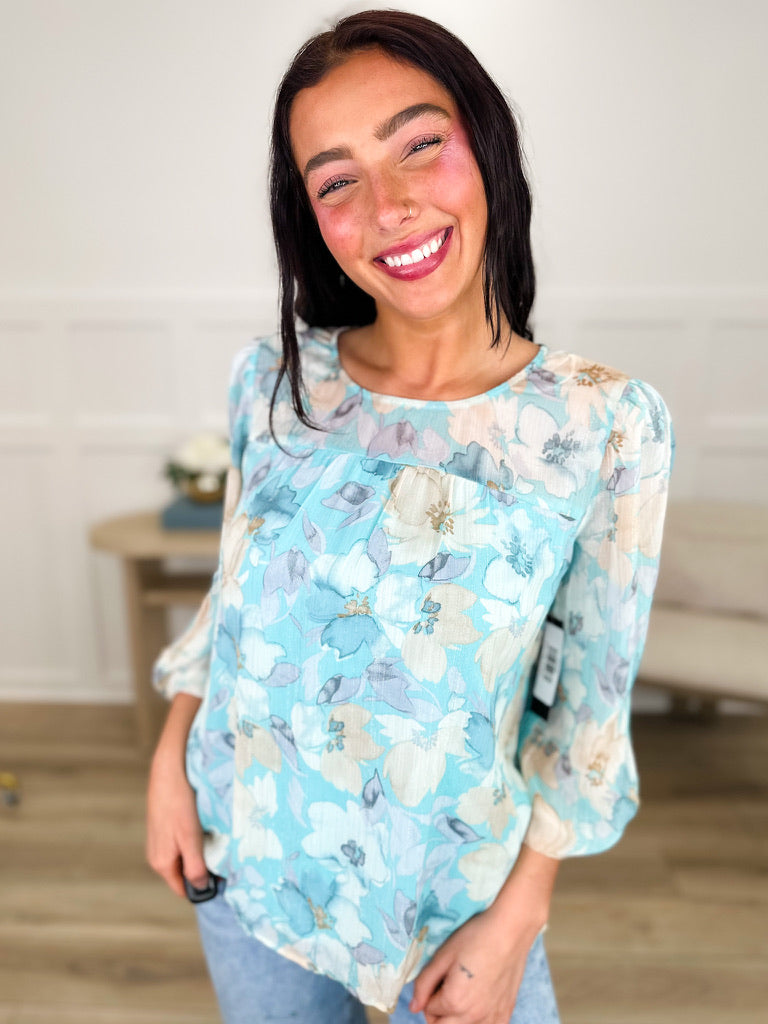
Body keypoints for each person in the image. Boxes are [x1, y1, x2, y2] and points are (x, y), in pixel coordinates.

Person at [146, 10, 674, 1024]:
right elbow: (232, 602)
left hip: (453, 899)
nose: (388, 206)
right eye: (336, 181)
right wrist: (172, 763)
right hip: (248, 856)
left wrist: (518, 916)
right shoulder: (274, 382)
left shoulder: (603, 425)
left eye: (419, 145)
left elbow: (590, 715)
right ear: (310, 217)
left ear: (487, 142)